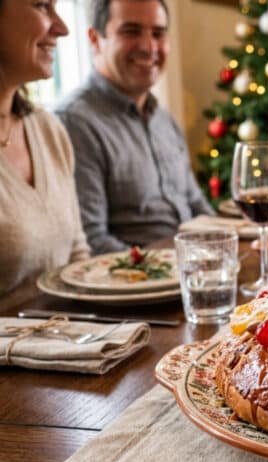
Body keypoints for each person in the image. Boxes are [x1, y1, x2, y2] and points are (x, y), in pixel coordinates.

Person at [56, 0, 213, 255]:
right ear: (95, 39)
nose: (149, 47)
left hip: (195, 274)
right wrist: (177, 268)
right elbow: (91, 240)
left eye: (158, 33)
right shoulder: (74, 122)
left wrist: (225, 249)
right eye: (131, 31)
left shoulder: (164, 120)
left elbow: (197, 205)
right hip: (135, 284)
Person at [0, 0, 90, 310]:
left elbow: (78, 257)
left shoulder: (48, 129)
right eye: (41, 6)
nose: (62, 28)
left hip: (73, 341)